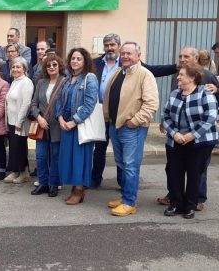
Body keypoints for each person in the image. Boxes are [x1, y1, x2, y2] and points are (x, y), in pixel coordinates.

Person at [92, 33, 176, 189]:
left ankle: (127, 195)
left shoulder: (141, 71)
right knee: (104, 152)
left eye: (113, 45)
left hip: (129, 122)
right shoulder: (103, 66)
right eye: (107, 45)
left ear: (137, 56)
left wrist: (177, 67)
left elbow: (151, 102)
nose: (110, 48)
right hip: (105, 117)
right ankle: (98, 180)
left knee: (128, 162)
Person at [157, 46, 219, 210]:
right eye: (180, 56)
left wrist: (193, 135)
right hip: (177, 136)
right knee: (174, 169)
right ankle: (175, 199)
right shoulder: (176, 83)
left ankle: (196, 200)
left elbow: (211, 115)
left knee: (196, 171)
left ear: (195, 58)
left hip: (199, 138)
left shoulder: (207, 78)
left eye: (186, 56)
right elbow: (168, 112)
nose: (182, 59)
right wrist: (172, 130)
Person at [103, 42, 159, 216]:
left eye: (129, 53)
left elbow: (151, 104)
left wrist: (135, 121)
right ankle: (124, 196)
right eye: (123, 53)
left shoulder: (144, 75)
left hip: (131, 129)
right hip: (115, 125)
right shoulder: (119, 72)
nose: (125, 56)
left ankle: (129, 202)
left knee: (130, 165)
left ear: (138, 55)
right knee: (122, 164)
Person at [55, 47, 98, 205]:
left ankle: (79, 190)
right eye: (73, 58)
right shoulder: (67, 77)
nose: (75, 61)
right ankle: (74, 187)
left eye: (78, 59)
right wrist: (60, 118)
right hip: (66, 124)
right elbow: (59, 100)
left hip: (79, 125)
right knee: (69, 158)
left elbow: (90, 104)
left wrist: (74, 121)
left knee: (79, 159)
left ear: (85, 61)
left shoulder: (90, 78)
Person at [29, 54, 66, 197]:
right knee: (40, 156)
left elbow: (65, 104)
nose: (51, 67)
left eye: (54, 65)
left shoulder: (65, 81)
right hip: (41, 125)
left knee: (56, 156)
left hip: (57, 125)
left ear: (59, 66)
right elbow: (33, 104)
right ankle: (43, 183)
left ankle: (53, 184)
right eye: (48, 65)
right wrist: (39, 118)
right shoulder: (41, 83)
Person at [4, 57, 34, 184]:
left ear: (24, 69)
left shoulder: (26, 82)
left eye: (18, 67)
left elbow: (26, 104)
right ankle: (16, 171)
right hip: (11, 121)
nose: (15, 69)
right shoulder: (14, 81)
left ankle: (24, 173)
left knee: (20, 147)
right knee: (14, 147)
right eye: (13, 67)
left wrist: (19, 122)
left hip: (19, 122)